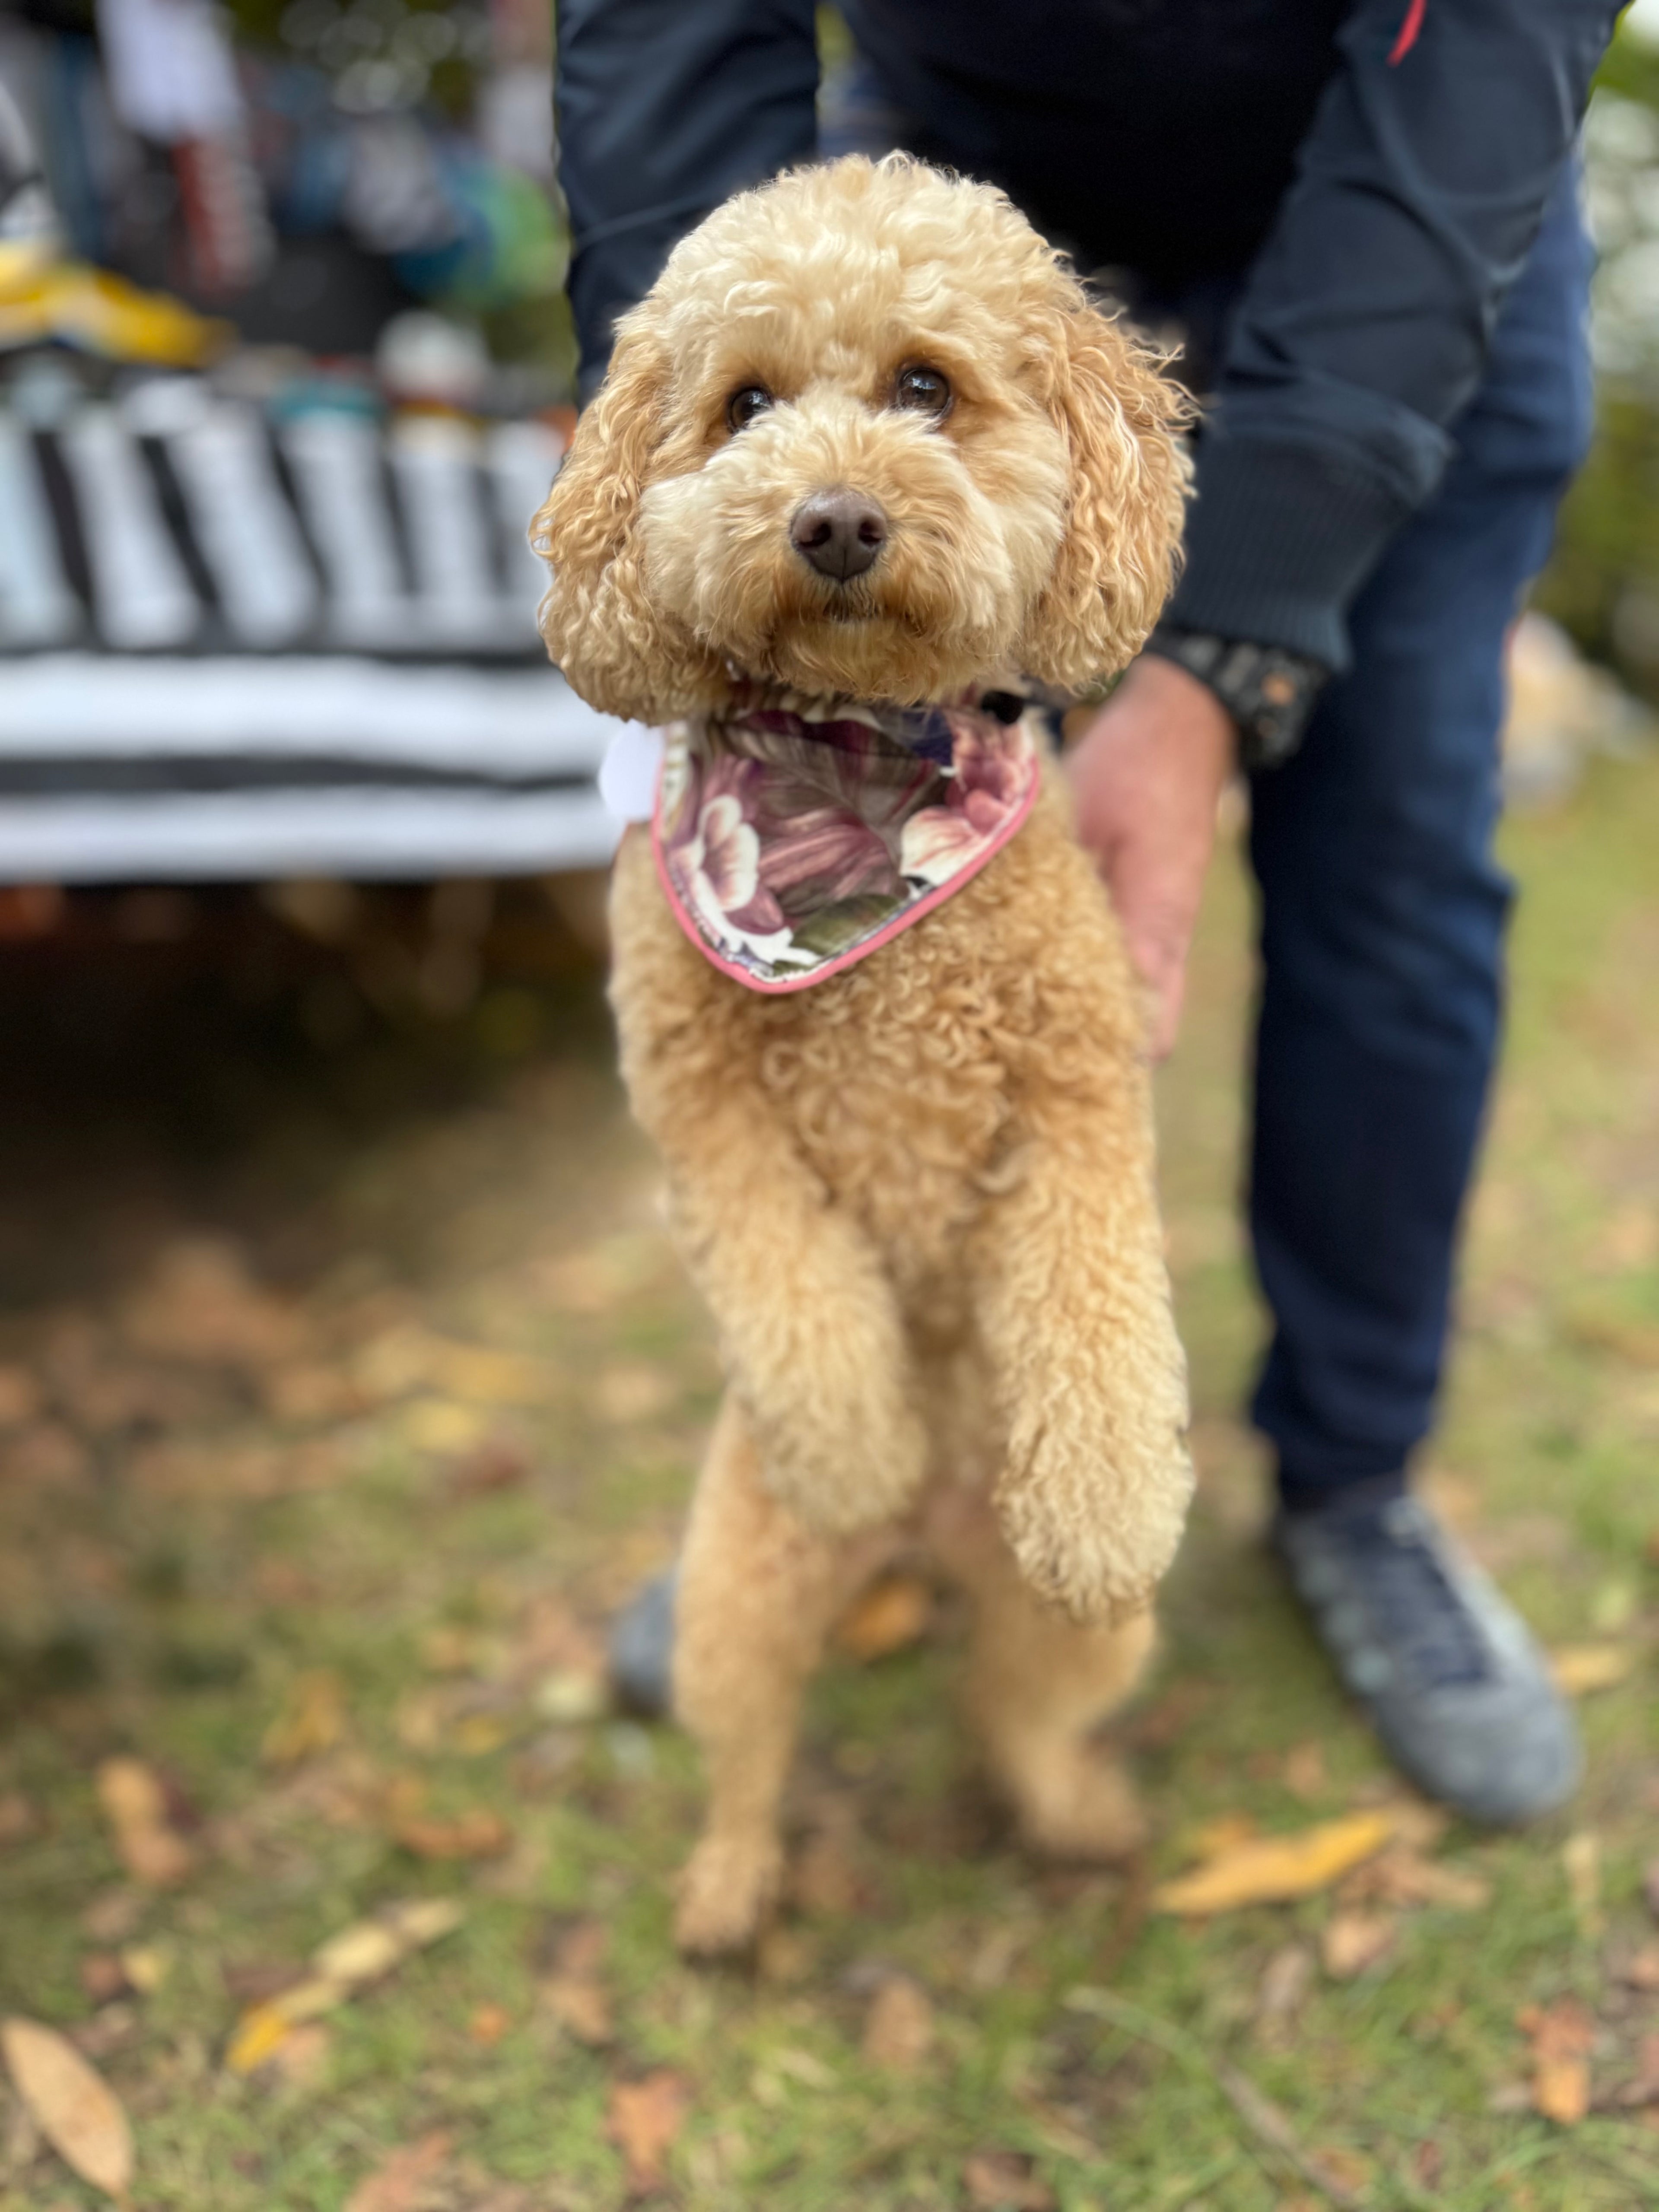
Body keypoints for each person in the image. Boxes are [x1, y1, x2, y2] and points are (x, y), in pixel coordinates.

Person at [561, 0, 1623, 1822]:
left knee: (1394, 882)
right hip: (958, 191)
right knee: (845, 961)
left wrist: (1206, 675)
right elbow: (669, 36)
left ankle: (1355, 1489)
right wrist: (697, 442)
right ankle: (851, 1468)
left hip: (1411, 228)